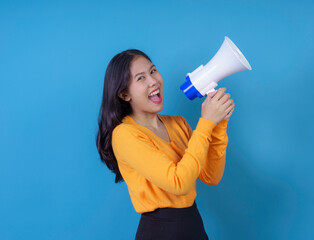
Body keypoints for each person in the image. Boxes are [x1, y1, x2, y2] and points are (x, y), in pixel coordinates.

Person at [96, 49, 234, 240]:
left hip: (193, 225)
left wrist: (218, 125)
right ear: (124, 95)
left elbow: (211, 176)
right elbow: (179, 183)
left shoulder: (178, 124)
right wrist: (206, 123)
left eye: (153, 71)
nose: (153, 81)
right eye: (141, 78)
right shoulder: (125, 135)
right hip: (160, 232)